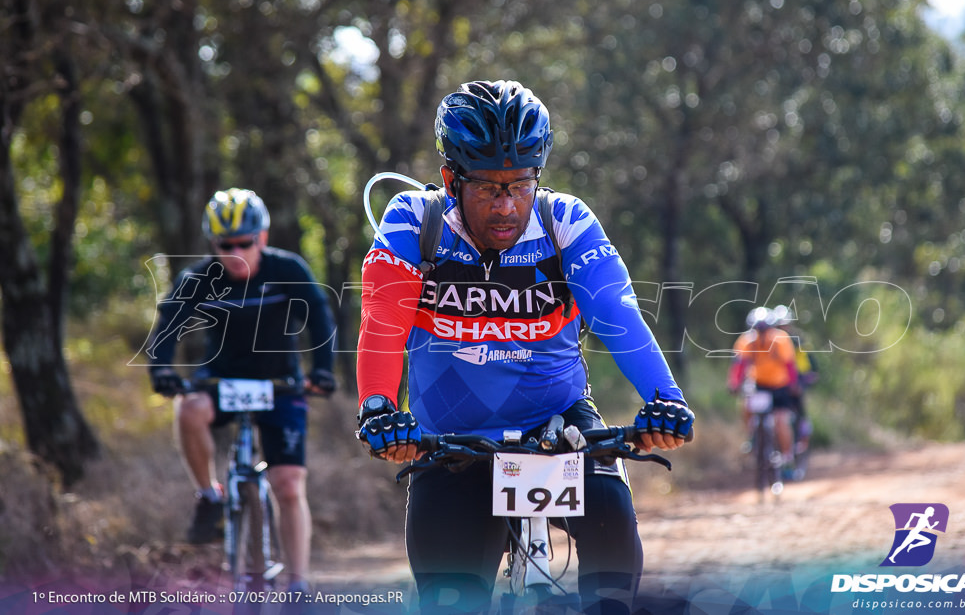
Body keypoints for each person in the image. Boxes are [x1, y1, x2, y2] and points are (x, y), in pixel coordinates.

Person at [355, 80, 694, 614]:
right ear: (451, 179)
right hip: (451, 441)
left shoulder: (566, 223)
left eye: (520, 185)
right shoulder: (414, 222)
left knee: (613, 586)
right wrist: (377, 406)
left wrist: (666, 398)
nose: (506, 206)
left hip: (559, 428)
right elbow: (382, 321)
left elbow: (618, 315)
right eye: (488, 188)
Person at [147, 188, 337, 593]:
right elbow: (166, 328)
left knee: (288, 484)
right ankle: (209, 497)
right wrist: (161, 370)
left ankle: (298, 584)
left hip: (279, 383)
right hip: (222, 379)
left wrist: (322, 369)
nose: (235, 252)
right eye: (224, 244)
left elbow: (319, 319)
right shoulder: (199, 277)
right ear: (213, 244)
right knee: (188, 408)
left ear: (262, 238)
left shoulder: (287, 269)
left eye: (244, 243)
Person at [727, 306, 800, 474]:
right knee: (746, 405)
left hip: (780, 386)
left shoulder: (781, 340)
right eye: (757, 329)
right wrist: (734, 383)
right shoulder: (746, 342)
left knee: (781, 421)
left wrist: (793, 385)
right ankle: (752, 435)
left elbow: (790, 365)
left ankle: (787, 457)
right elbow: (739, 365)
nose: (761, 333)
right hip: (759, 384)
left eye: (764, 329)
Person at [772, 304, 818, 463]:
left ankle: (803, 435)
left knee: (798, 405)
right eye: (780, 325)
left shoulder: (798, 340)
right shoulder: (771, 340)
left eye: (785, 324)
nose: (783, 327)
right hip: (777, 381)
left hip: (797, 378)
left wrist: (809, 375)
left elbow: (808, 360)